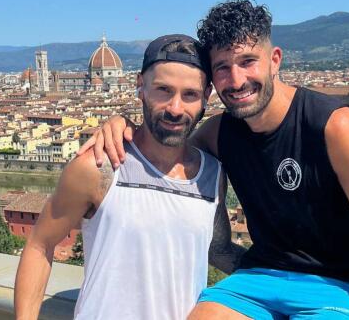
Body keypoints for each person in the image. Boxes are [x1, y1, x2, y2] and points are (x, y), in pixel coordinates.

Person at [80, 0, 349, 319]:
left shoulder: (334, 125)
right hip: (258, 277)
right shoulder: (218, 133)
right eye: (223, 68)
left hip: (338, 284)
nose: (237, 80)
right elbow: (165, 148)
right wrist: (124, 123)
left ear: (275, 60)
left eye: (247, 61)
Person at [14, 34, 243, 320]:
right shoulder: (98, 167)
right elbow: (40, 244)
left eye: (189, 95)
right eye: (163, 90)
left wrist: (292, 276)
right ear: (140, 87)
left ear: (205, 97)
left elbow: (216, 249)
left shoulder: (212, 174)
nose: (175, 108)